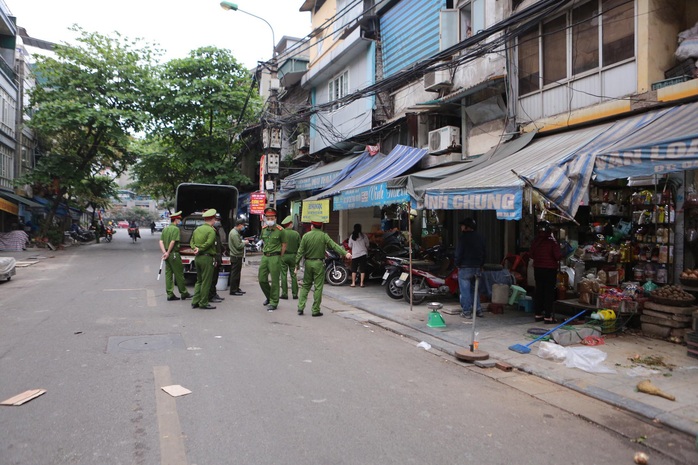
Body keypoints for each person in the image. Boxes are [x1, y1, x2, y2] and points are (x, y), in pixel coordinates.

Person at [295, 221, 351, 317]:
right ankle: (315, 310)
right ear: (321, 227)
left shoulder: (306, 236)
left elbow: (300, 252)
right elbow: (334, 245)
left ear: (312, 226)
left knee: (306, 285)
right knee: (318, 287)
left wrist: (296, 265)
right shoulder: (324, 236)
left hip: (308, 263)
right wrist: (345, 253)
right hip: (319, 263)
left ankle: (300, 307)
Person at [530, 221, 562, 324]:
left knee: (539, 290)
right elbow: (558, 256)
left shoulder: (535, 241)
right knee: (549, 292)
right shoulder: (552, 241)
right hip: (550, 269)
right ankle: (548, 316)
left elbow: (531, 254)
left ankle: (538, 314)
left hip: (538, 269)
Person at [455, 217, 486, 318]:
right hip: (477, 267)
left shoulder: (463, 238)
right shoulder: (480, 237)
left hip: (465, 268)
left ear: (467, 227)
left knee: (465, 291)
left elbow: (459, 253)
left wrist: (457, 263)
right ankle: (478, 310)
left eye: (463, 225)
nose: (461, 227)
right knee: (474, 289)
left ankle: (467, 312)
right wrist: (481, 265)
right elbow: (484, 252)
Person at [159, 211, 191, 301]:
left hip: (167, 254)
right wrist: (168, 252)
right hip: (173, 254)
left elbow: (161, 241)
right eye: (179, 220)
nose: (179, 221)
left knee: (168, 274)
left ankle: (170, 294)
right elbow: (173, 241)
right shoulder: (176, 229)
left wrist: (164, 252)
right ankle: (184, 293)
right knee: (179, 274)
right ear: (176, 220)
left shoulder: (165, 229)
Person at [189, 209, 218, 310]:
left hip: (197, 258)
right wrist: (200, 248)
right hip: (207, 258)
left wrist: (195, 248)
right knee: (206, 281)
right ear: (212, 219)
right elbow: (209, 243)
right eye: (215, 219)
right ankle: (203, 302)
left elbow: (191, 242)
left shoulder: (197, 229)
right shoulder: (211, 230)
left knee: (199, 281)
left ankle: (195, 301)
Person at [258, 207, 284, 311]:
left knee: (275, 281)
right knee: (262, 279)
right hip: (265, 256)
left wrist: (279, 256)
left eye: (271, 218)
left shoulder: (281, 230)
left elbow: (284, 245)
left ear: (275, 218)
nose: (269, 220)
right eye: (268, 218)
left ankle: (274, 302)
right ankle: (269, 296)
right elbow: (262, 240)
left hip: (275, 257)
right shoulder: (264, 229)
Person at [279, 215, 301, 300]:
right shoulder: (296, 234)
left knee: (283, 275)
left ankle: (284, 294)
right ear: (290, 224)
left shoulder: (281, 233)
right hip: (294, 256)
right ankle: (295, 294)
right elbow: (300, 247)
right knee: (293, 275)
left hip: (283, 256)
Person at [207, 213, 227, 304]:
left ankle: (214, 294)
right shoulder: (211, 231)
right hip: (214, 257)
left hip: (218, 256)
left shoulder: (217, 230)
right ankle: (210, 295)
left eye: (219, 220)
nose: (217, 222)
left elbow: (220, 244)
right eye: (216, 220)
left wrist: (223, 249)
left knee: (215, 278)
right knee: (212, 278)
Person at [228, 219, 249, 296]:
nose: (243, 227)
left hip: (237, 255)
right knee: (235, 274)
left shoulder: (235, 232)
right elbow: (238, 246)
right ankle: (233, 290)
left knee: (237, 273)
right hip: (236, 255)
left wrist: (242, 241)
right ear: (239, 225)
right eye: (243, 225)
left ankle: (236, 288)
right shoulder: (234, 233)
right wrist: (245, 243)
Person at [348, 223, 369, 287]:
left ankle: (353, 283)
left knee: (354, 269)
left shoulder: (352, 236)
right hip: (363, 254)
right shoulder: (364, 236)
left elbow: (349, 245)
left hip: (355, 254)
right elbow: (367, 244)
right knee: (362, 269)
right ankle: (361, 283)